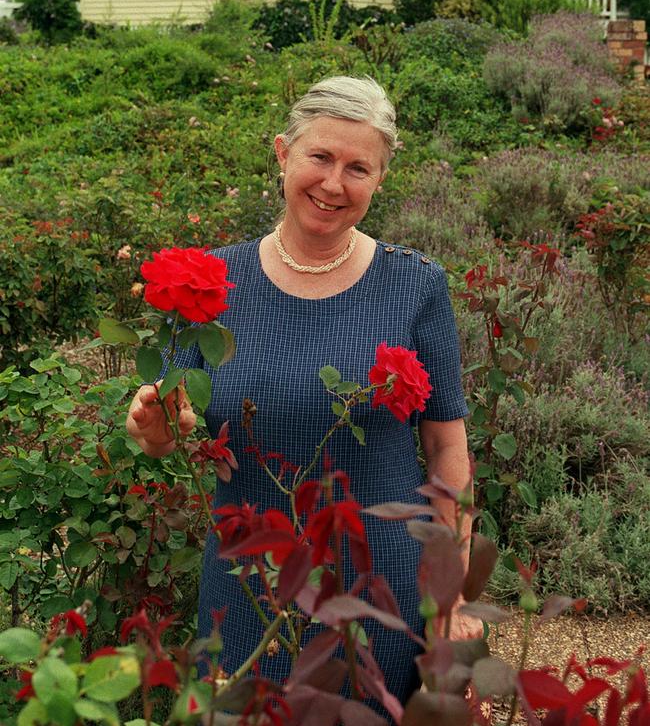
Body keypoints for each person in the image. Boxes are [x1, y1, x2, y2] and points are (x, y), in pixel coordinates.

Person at [126, 75, 479, 710]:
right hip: (245, 587)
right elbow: (171, 427)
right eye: (320, 157)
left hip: (379, 589)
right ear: (283, 153)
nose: (334, 183)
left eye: (358, 167)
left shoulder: (416, 285)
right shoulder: (210, 282)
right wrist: (156, 433)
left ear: (379, 180)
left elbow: (446, 450)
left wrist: (449, 600)